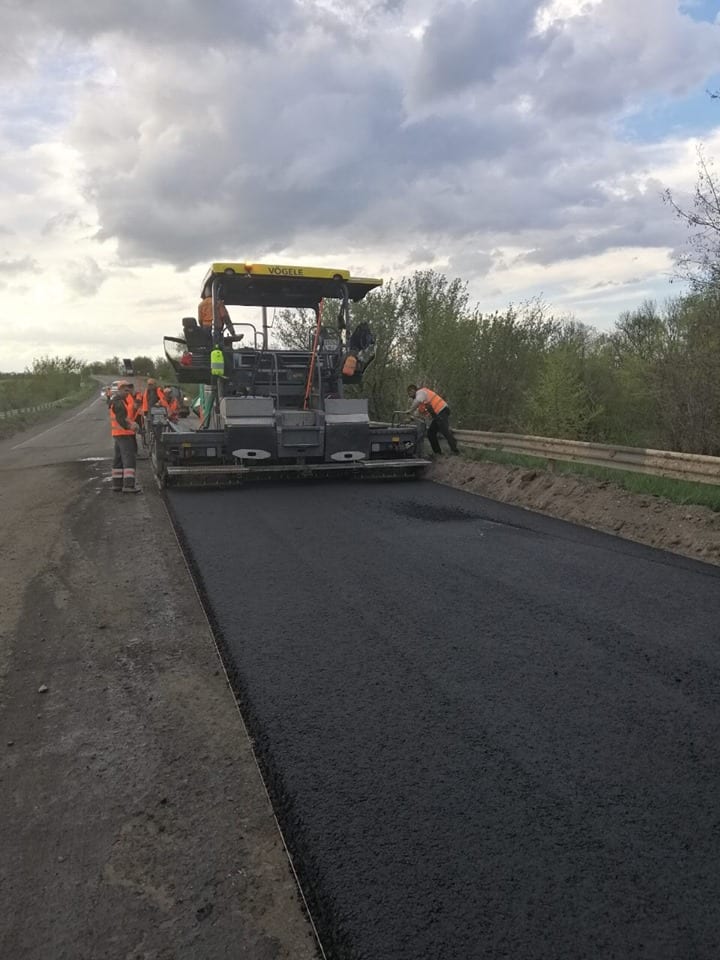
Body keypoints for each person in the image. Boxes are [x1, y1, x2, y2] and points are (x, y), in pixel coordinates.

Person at [406, 383, 459, 455]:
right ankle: (438, 453)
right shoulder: (421, 401)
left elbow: (417, 402)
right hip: (438, 415)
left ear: (415, 390)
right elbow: (418, 412)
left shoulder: (420, 392)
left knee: (444, 430)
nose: (409, 394)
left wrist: (410, 410)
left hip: (442, 410)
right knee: (431, 433)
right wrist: (411, 419)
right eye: (408, 393)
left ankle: (455, 451)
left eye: (410, 392)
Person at [109, 381, 141, 493]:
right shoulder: (118, 402)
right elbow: (121, 419)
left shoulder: (119, 401)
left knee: (118, 459)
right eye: (125, 390)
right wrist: (130, 426)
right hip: (124, 434)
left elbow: (125, 416)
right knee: (129, 458)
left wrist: (132, 422)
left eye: (129, 390)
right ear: (120, 390)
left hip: (119, 434)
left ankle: (117, 484)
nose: (128, 393)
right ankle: (128, 485)